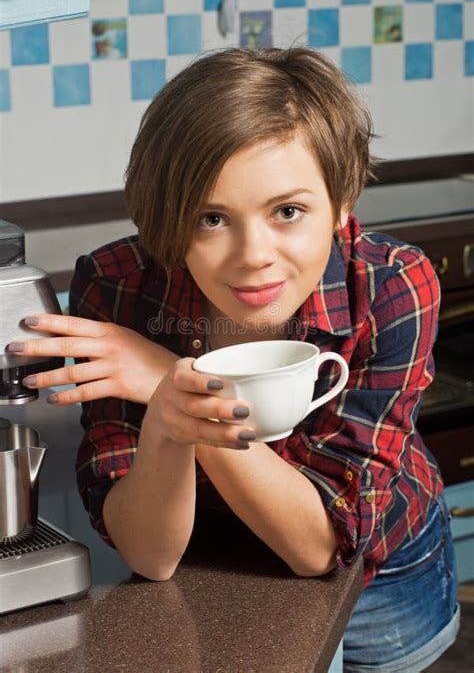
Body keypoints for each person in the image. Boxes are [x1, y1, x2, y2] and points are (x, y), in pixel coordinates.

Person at [11, 47, 459, 671]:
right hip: (212, 567)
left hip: (383, 578)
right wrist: (170, 410)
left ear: (342, 202)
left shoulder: (391, 285)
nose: (254, 254)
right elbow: (151, 556)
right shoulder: (119, 286)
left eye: (288, 211)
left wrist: (178, 380)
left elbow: (316, 549)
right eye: (211, 218)